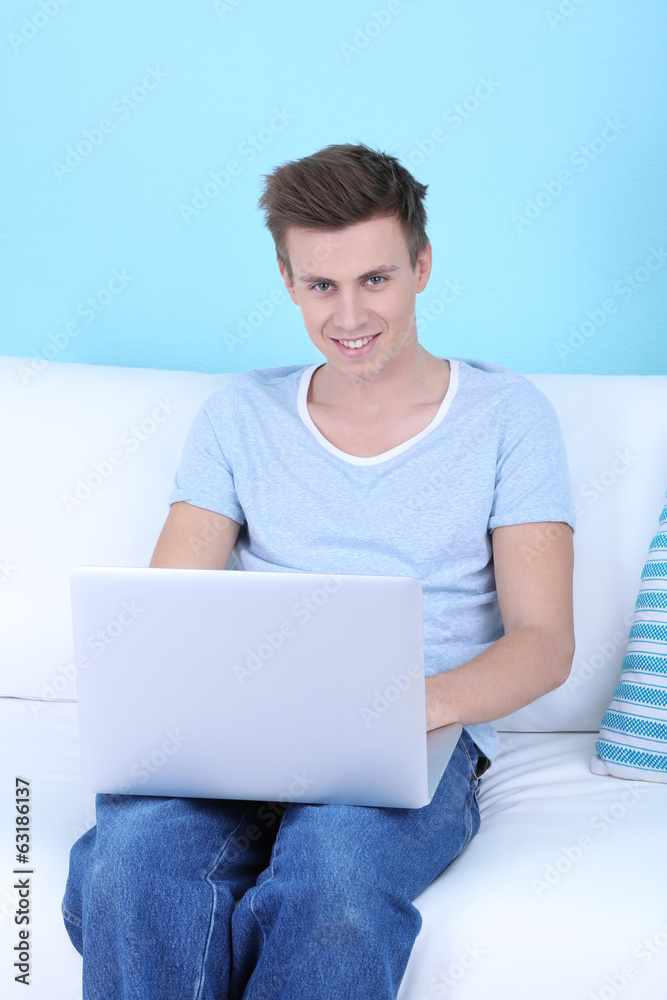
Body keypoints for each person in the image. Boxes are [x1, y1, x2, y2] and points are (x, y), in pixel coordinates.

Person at [61, 142, 576, 999]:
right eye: (320, 286)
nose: (349, 315)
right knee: (126, 868)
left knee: (334, 879)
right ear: (287, 279)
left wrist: (412, 705)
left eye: (374, 279)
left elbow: (543, 642)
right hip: (243, 725)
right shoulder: (238, 415)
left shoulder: (508, 417)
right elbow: (163, 608)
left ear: (420, 266)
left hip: (417, 731)